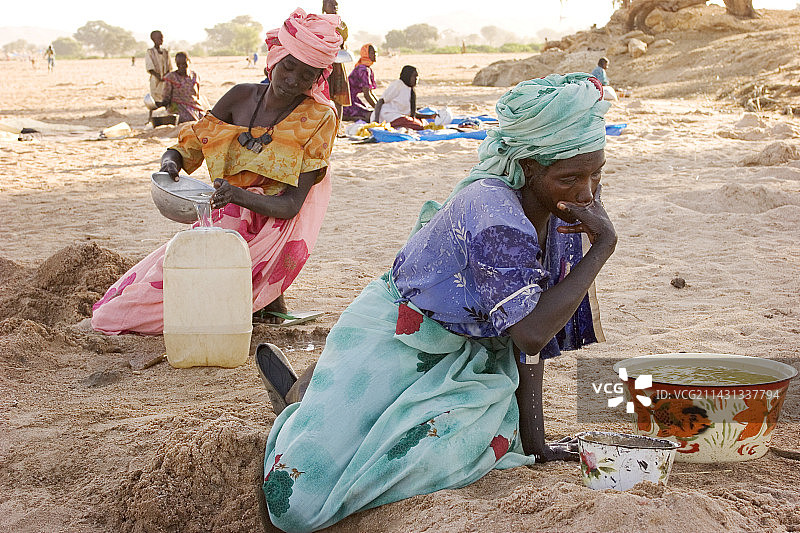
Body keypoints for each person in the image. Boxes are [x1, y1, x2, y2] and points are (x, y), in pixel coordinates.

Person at [258, 73, 615, 531]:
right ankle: (306, 401)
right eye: (570, 178)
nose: (587, 192)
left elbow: (529, 337)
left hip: (473, 352)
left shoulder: (562, 209)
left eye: (596, 173)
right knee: (301, 504)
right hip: (401, 337)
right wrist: (603, 248)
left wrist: (536, 443)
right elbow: (530, 331)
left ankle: (316, 393)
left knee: (447, 452)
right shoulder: (494, 213)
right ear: (527, 168)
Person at [91, 8, 343, 334]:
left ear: (318, 78)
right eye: (289, 67)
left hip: (275, 225)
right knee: (153, 284)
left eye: (308, 75)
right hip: (229, 214)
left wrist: (237, 195)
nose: (293, 80)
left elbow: (291, 205)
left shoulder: (320, 116)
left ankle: (265, 296)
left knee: (193, 298)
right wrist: (171, 164)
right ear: (275, 59)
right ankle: (263, 300)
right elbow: (190, 145)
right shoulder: (239, 97)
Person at [321, 0, 351, 121]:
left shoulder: (341, 24)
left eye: (336, 4)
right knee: (324, 96)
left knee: (339, 97)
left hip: (338, 63)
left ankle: (337, 126)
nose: (334, 6)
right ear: (324, 7)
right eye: (331, 4)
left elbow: (343, 42)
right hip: (324, 62)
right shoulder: (319, 23)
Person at [372, 65, 425, 130]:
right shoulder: (398, 85)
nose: (416, 79)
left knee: (421, 123)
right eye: (414, 76)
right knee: (417, 126)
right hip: (387, 116)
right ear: (407, 76)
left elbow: (412, 113)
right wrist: (376, 120)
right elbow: (380, 101)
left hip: (400, 117)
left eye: (417, 76)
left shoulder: (410, 90)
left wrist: (431, 116)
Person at [162, 52, 205, 123]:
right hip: (178, 106)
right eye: (178, 64)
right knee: (189, 120)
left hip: (195, 106)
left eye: (184, 63)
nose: (181, 66)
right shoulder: (171, 77)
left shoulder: (194, 76)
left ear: (189, 61)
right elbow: (166, 96)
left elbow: (197, 95)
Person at [342, 43, 377, 122]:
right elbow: (367, 94)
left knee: (370, 111)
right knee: (370, 116)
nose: (375, 55)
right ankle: (348, 117)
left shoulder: (367, 68)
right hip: (347, 101)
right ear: (366, 54)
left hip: (352, 99)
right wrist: (379, 110)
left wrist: (379, 107)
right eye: (372, 53)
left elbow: (371, 93)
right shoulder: (363, 70)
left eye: (376, 52)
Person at [146, 30, 172, 109]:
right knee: (155, 99)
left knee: (166, 98)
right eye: (159, 38)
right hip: (155, 79)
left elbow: (169, 65)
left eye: (162, 38)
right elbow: (149, 67)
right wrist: (158, 76)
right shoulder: (150, 52)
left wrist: (166, 76)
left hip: (165, 78)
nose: (161, 40)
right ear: (153, 39)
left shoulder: (165, 52)